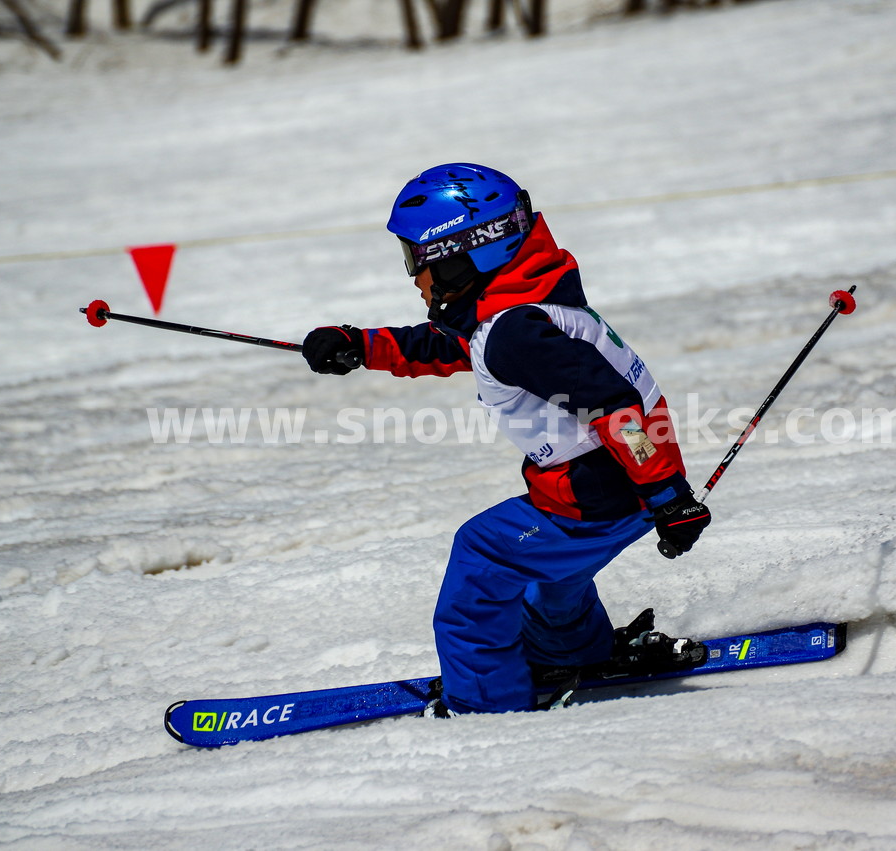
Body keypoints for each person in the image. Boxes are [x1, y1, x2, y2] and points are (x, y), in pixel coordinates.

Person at [302, 163, 712, 716]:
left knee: (482, 563)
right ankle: (572, 650)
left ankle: (485, 706)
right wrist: (359, 344)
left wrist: (670, 497)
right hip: (623, 487)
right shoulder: (523, 307)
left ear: (465, 255)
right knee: (553, 575)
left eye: (417, 262)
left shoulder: (515, 333)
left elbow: (616, 409)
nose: (414, 278)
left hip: (602, 492)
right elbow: (445, 346)